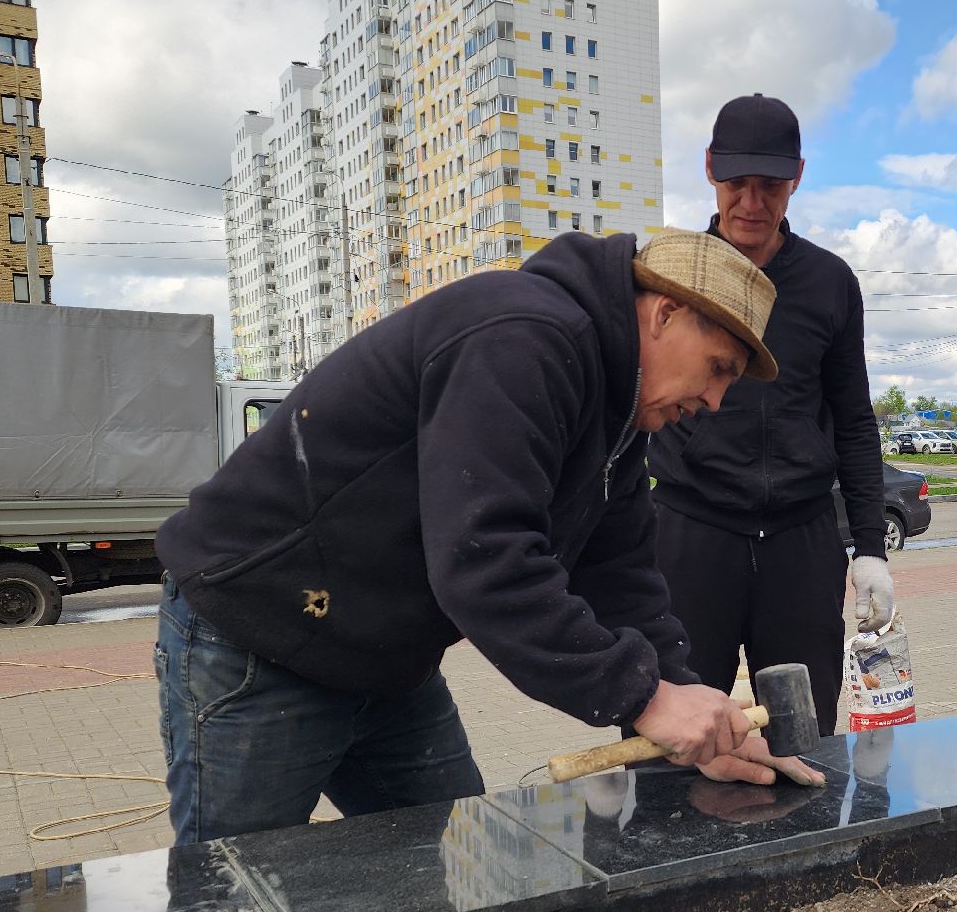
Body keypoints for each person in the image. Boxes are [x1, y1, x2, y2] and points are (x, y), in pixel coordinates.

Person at [153, 229, 822, 845]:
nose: (715, 401)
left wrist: (698, 723)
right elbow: (485, 559)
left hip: (384, 659)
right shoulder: (525, 337)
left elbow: (620, 575)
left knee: (452, 862)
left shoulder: (618, 415)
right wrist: (645, 699)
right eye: (719, 367)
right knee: (236, 902)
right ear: (664, 314)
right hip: (261, 635)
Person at [646, 94, 890, 736]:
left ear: (798, 178)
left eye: (771, 186)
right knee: (671, 740)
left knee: (803, 738)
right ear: (709, 169)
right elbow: (624, 410)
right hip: (690, 536)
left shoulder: (830, 282)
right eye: (737, 183)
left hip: (800, 544)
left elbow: (854, 419)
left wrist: (870, 548)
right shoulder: (670, 274)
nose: (752, 203)